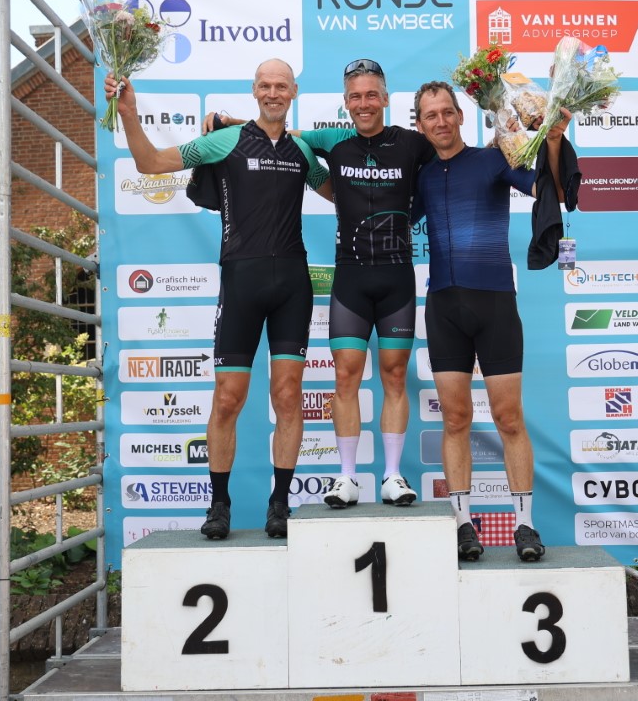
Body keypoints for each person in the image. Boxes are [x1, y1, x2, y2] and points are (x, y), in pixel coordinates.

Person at [105, 59, 330, 541]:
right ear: (254, 90)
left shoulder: (303, 151)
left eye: (281, 86)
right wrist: (128, 114)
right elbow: (150, 163)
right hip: (242, 280)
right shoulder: (224, 141)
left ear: (294, 92)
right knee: (228, 398)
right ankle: (220, 504)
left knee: (288, 395)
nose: (273, 93)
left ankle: (280, 503)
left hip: (293, 284)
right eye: (265, 85)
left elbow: (341, 193)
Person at [208, 59, 434, 510]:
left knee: (394, 375)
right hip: (351, 275)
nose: (364, 103)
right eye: (356, 96)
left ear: (386, 99)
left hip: (396, 275)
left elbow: (452, 155)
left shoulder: (413, 144)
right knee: (345, 375)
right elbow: (279, 132)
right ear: (346, 103)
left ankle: (392, 475)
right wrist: (228, 123)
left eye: (372, 95)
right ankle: (347, 477)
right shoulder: (332, 140)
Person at [413, 80, 573, 562]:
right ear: (419, 125)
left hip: (495, 305)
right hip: (443, 308)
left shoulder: (492, 159)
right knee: (455, 419)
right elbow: (379, 205)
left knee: (508, 418)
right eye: (430, 115)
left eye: (447, 111)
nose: (441, 121)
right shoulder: (419, 175)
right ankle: (463, 524)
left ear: (461, 115)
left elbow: (549, 189)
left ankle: (525, 524)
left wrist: (552, 138)